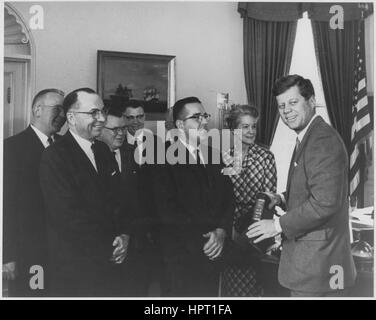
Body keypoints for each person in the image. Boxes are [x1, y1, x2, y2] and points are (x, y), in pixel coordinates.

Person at [246, 75, 357, 297]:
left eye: (293, 102)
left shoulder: (321, 140)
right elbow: (315, 189)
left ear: (311, 101)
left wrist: (276, 225)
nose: (286, 110)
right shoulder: (309, 137)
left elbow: (324, 203)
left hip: (318, 268)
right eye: (281, 106)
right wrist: (282, 198)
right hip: (314, 266)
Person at [39, 88, 129, 296]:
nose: (101, 119)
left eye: (102, 112)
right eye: (93, 113)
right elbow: (66, 216)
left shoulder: (103, 150)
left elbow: (120, 201)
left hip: (110, 266)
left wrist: (125, 235)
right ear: (71, 117)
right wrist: (110, 246)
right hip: (76, 268)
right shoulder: (54, 156)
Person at [152, 96, 235, 297]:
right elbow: (166, 211)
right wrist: (206, 238)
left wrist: (221, 231)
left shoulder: (214, 155)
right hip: (180, 258)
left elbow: (228, 199)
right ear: (180, 125)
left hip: (212, 255)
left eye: (204, 116)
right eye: (197, 117)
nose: (205, 121)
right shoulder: (161, 157)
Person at [3, 88, 66, 297]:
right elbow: (6, 205)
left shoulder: (66, 148)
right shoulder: (11, 148)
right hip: (28, 251)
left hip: (61, 251)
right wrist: (7, 255)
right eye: (57, 109)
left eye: (65, 110)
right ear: (37, 110)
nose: (63, 115)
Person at [221, 104, 277, 297]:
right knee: (232, 286)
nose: (251, 131)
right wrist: (230, 230)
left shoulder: (265, 157)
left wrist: (245, 232)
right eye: (245, 127)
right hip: (228, 230)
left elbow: (268, 199)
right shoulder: (223, 157)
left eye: (253, 126)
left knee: (254, 286)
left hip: (255, 229)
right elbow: (219, 200)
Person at [122, 100, 162, 296]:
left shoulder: (157, 143)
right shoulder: (117, 143)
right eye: (130, 117)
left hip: (150, 220)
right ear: (124, 119)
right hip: (125, 219)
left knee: (148, 276)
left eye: (140, 117)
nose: (136, 122)